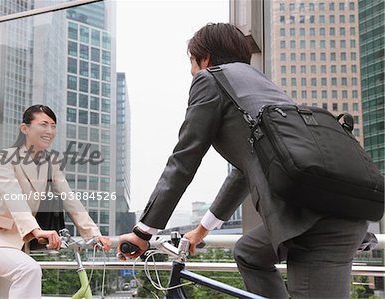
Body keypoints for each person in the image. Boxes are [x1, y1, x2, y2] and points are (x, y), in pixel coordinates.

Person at [117, 23, 368, 298]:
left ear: (206, 59)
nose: (191, 71)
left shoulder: (209, 79)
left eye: (191, 62)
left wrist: (143, 232)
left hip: (317, 225)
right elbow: (243, 173)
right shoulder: (263, 89)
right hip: (329, 209)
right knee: (249, 253)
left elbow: (184, 160)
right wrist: (202, 231)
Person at [0, 104, 111, 299]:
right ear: (24, 128)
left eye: (53, 125)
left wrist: (93, 234)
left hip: (16, 246)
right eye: (43, 124)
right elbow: (13, 197)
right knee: (29, 271)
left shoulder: (51, 162)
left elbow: (70, 199)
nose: (49, 131)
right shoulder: (5, 158)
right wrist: (36, 231)